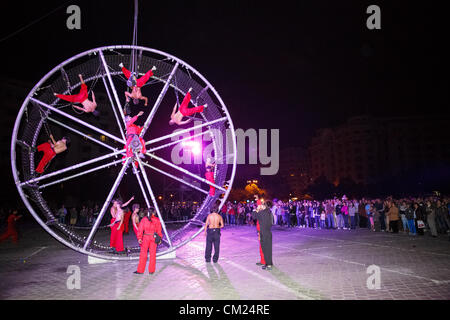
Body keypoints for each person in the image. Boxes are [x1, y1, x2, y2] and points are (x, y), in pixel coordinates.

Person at [135, 208, 163, 274]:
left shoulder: (144, 219)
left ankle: (140, 270)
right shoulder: (156, 220)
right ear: (154, 213)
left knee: (143, 254)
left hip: (145, 237)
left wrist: (139, 238)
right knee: (153, 254)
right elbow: (159, 230)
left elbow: (140, 229)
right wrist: (160, 239)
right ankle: (151, 270)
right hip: (153, 237)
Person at [251, 200, 274, 270]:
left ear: (264, 205)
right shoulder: (270, 212)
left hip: (263, 233)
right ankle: (269, 263)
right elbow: (272, 222)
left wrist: (256, 209)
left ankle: (268, 265)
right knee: (269, 249)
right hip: (269, 232)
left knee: (265, 249)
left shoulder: (262, 212)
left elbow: (254, 216)